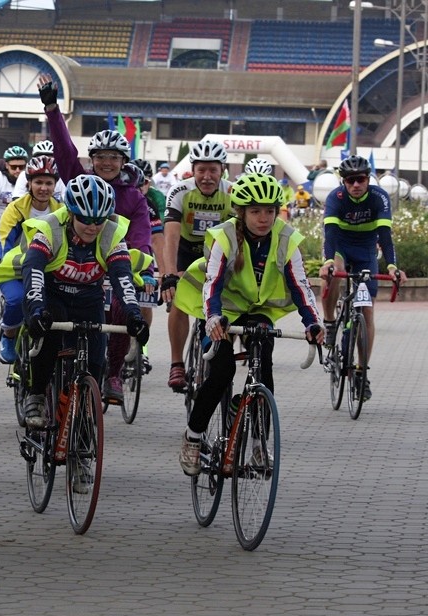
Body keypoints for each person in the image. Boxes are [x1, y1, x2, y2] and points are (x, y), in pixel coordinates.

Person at [173, 173, 323, 475]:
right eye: (255, 211)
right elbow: (212, 283)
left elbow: (300, 285)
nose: (264, 218)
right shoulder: (224, 235)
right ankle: (193, 437)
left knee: (263, 371)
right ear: (241, 213)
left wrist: (313, 323)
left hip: (258, 311)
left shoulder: (286, 238)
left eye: (269, 211)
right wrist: (213, 318)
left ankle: (257, 445)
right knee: (222, 370)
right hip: (221, 310)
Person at [37, 75, 161, 404]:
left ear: (124, 162)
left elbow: (139, 238)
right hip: (70, 264)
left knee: (122, 310)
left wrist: (142, 267)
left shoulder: (134, 197)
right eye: (100, 157)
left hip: (111, 265)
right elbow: (64, 151)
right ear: (92, 161)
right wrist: (52, 108)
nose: (107, 163)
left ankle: (115, 373)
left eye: (114, 157)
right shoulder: (79, 181)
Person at [0, 174, 148, 428]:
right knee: (50, 335)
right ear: (70, 213)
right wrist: (36, 309)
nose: (92, 226)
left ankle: (81, 425)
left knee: (95, 363)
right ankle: (36, 394)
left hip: (88, 299)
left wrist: (134, 314)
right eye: (85, 219)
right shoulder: (48, 229)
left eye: (99, 220)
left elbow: (123, 278)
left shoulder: (112, 234)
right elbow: (33, 271)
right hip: (50, 295)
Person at [318, 155, 407, 399]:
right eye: (350, 180)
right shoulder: (335, 199)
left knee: (366, 311)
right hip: (341, 247)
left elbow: (385, 237)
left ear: (368, 179)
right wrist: (327, 263)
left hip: (366, 250)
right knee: (334, 272)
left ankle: (361, 371)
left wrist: (391, 267)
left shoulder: (379, 198)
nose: (355, 185)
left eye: (360, 179)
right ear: (343, 182)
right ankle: (329, 322)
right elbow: (331, 234)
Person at [159, 139, 235, 392]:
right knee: (179, 301)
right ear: (193, 170)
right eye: (201, 170)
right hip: (186, 251)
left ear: (222, 170)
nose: (206, 176)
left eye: (213, 170)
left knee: (229, 304)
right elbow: (170, 237)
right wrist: (169, 274)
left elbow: (241, 237)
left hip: (217, 253)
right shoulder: (181, 191)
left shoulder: (232, 192)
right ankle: (177, 363)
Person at [0, 155, 63, 363]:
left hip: (46, 271)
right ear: (29, 183)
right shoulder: (15, 209)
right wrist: (0, 260)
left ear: (55, 185)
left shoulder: (60, 210)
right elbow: (2, 239)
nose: (43, 188)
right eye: (38, 182)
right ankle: (9, 336)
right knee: (16, 300)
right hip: (14, 271)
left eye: (48, 183)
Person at [0, 146, 29, 263]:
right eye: (13, 167)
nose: (18, 170)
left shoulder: (29, 179)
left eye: (21, 167)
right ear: (7, 165)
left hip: (18, 224)